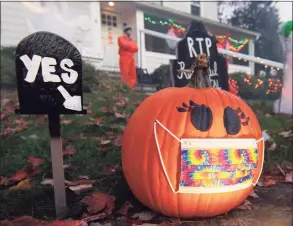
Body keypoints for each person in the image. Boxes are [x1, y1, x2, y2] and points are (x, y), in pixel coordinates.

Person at [118, 23, 138, 89]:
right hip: (124, 58)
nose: (130, 32)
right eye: (129, 30)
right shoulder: (120, 38)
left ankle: (130, 87)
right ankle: (124, 87)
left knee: (132, 74)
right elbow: (124, 45)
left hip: (131, 58)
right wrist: (130, 46)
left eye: (130, 30)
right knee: (125, 73)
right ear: (125, 31)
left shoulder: (133, 40)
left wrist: (129, 46)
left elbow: (136, 48)